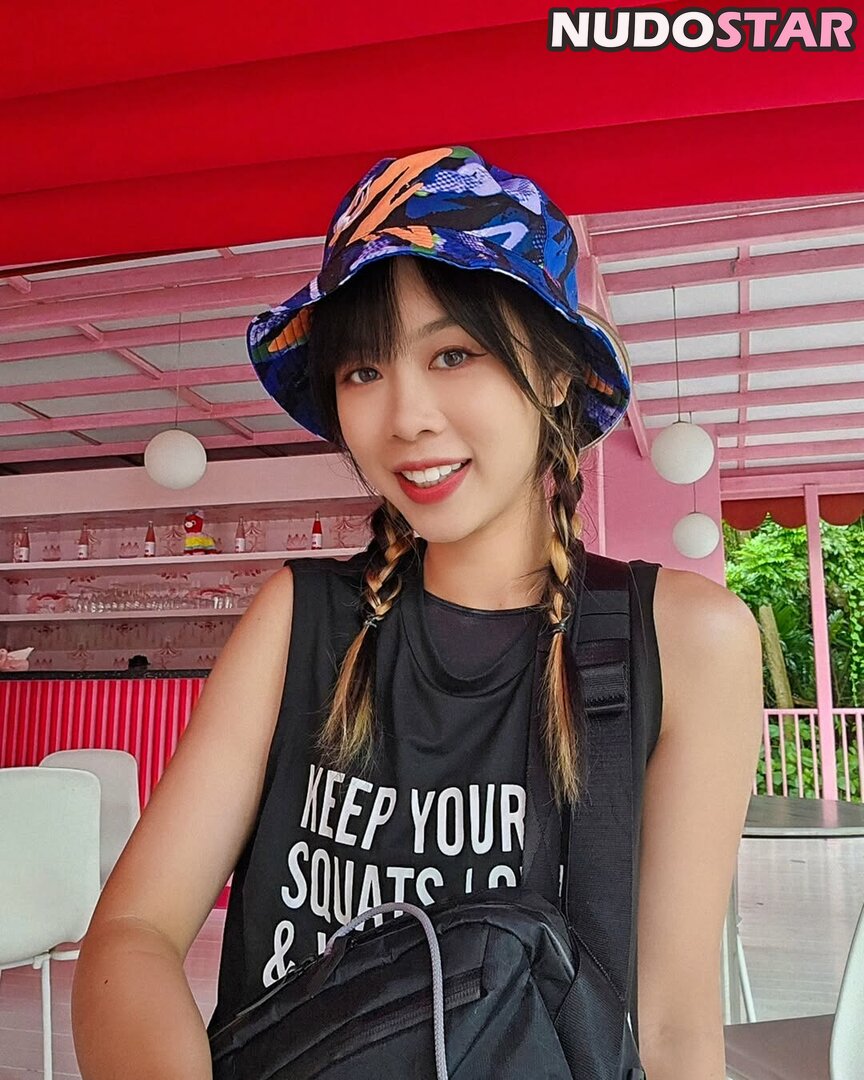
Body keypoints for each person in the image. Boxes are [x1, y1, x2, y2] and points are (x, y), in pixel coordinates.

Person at [72, 147, 764, 1079]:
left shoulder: (682, 641)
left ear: (556, 373)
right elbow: (134, 933)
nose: (405, 418)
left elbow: (675, 1028)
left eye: (453, 354)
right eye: (362, 370)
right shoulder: (299, 620)